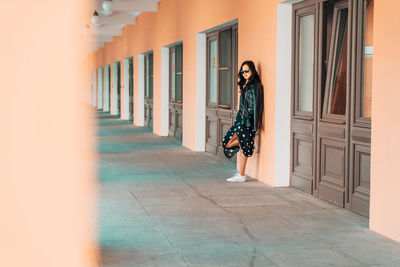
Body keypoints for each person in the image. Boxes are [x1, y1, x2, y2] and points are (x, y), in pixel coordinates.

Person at [222, 60, 264, 182]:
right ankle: (247, 145)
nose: (244, 73)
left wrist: (253, 125)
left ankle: (241, 174)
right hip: (240, 121)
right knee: (227, 142)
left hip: (247, 122)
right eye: (242, 71)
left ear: (252, 71)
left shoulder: (255, 86)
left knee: (242, 148)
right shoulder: (246, 85)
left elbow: (256, 107)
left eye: (247, 71)